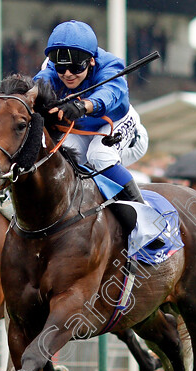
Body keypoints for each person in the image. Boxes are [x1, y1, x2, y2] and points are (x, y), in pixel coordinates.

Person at [33, 20, 152, 235]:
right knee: (58, 159)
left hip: (118, 123)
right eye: (61, 67)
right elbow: (40, 83)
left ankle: (145, 223)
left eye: (76, 67)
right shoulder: (51, 69)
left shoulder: (111, 65)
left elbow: (109, 94)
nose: (68, 74)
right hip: (82, 129)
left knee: (99, 155)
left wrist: (83, 106)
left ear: (91, 61)